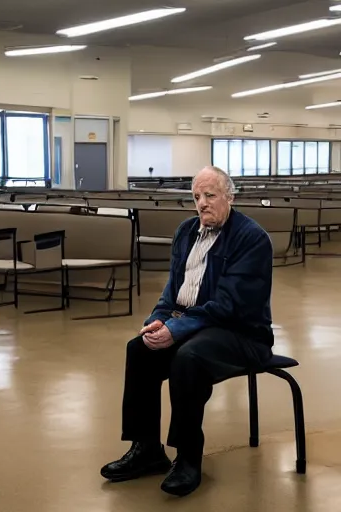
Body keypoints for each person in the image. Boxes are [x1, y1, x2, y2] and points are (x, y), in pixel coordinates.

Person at [100, 166, 274, 497]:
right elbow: (173, 291)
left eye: (210, 195)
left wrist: (177, 330)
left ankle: (188, 457)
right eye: (197, 197)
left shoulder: (251, 239)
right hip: (197, 324)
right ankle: (147, 449)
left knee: (188, 356)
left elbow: (228, 306)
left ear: (229, 197)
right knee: (139, 349)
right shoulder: (185, 232)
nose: (202, 204)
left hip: (242, 333)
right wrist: (159, 319)